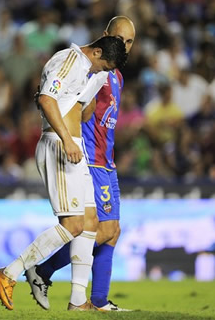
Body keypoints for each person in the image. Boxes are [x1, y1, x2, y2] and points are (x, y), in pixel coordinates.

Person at [0, 35, 127, 311]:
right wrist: (66, 139)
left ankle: (78, 300)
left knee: (91, 222)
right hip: (60, 145)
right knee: (73, 225)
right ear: (97, 50)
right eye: (104, 66)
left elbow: (82, 113)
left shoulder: (85, 70)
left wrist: (92, 87)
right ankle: (10, 272)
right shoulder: (71, 60)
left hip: (74, 146)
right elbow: (46, 98)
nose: (103, 71)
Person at [25, 16, 136, 312]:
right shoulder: (91, 71)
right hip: (90, 158)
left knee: (112, 231)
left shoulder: (116, 75)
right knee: (99, 230)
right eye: (120, 39)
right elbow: (68, 103)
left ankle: (97, 299)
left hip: (107, 162)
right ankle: (45, 272)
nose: (124, 46)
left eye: (129, 42)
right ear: (105, 38)